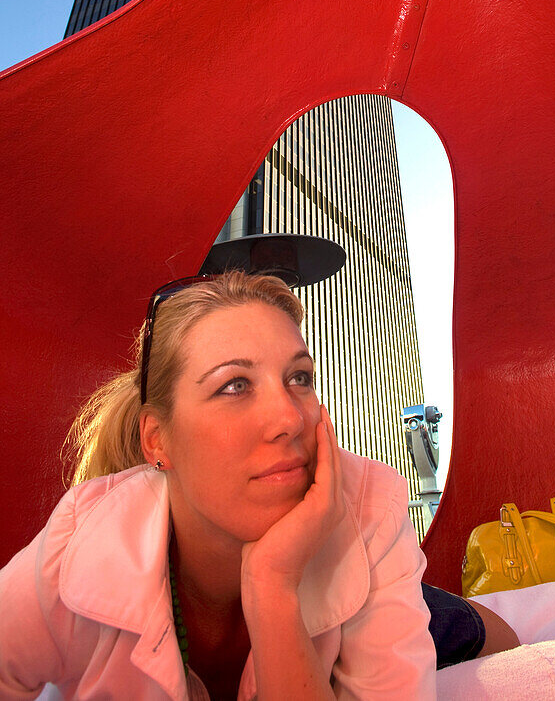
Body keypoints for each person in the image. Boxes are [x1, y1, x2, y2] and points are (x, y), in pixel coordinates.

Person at [0, 271, 516, 700]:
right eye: (234, 385)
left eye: (299, 378)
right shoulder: (78, 546)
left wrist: (272, 587)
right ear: (158, 441)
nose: (288, 418)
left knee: (498, 637)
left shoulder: (369, 508)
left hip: (365, 590)